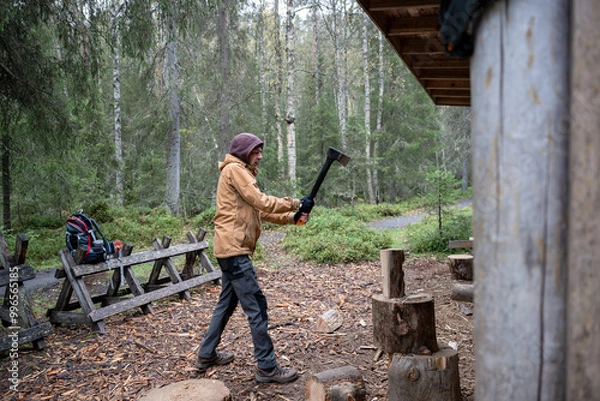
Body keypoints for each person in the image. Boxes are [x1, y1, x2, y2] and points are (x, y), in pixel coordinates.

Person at [195, 132, 314, 384]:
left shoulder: (240, 173)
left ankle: (206, 354)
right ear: (243, 152)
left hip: (229, 250)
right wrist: (294, 202)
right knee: (257, 307)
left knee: (226, 305)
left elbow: (259, 211)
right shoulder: (235, 170)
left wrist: (293, 217)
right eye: (256, 151)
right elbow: (260, 200)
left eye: (260, 151)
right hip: (235, 251)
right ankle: (267, 367)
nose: (260, 156)